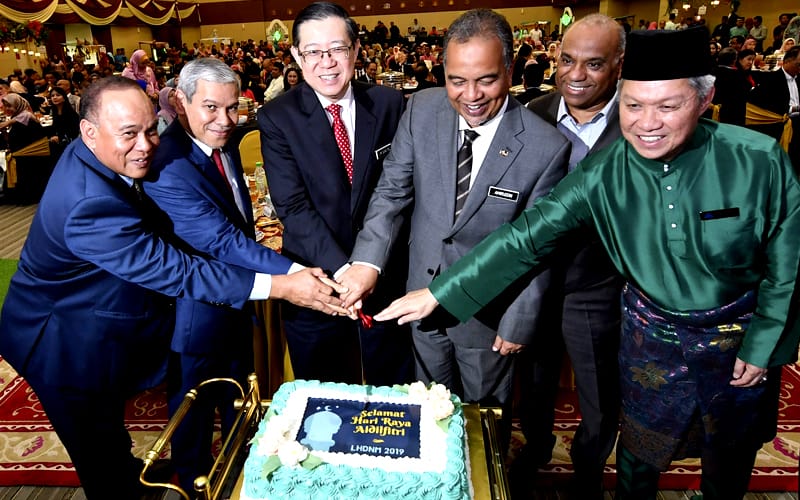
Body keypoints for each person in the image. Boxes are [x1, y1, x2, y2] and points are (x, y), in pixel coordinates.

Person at [375, 27, 800, 500]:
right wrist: (442, 291)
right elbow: (526, 237)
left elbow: (789, 265)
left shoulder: (759, 159)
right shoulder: (605, 169)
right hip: (649, 341)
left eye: (667, 106)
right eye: (633, 106)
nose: (647, 123)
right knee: (638, 458)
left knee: (730, 455)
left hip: (738, 343)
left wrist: (764, 344)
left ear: (704, 100)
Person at [0, 76, 341, 500]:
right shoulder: (88, 203)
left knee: (110, 434)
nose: (146, 146)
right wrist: (280, 286)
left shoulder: (93, 154)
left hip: (93, 318)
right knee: (99, 456)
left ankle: (129, 471)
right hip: (59, 344)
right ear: (89, 131)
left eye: (150, 130)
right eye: (129, 134)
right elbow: (178, 271)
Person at [337, 8, 569, 434]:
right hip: (419, 301)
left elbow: (540, 247)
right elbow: (392, 193)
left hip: (489, 315)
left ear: (510, 70)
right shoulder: (422, 109)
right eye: (457, 80)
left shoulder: (545, 146)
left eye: (486, 80)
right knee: (432, 418)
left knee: (484, 425)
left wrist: (519, 319)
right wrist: (367, 261)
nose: (471, 95)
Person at [144, 57, 347, 494]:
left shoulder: (223, 141)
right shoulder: (168, 164)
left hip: (238, 303)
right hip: (196, 315)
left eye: (232, 107)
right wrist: (296, 273)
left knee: (240, 402)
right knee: (194, 417)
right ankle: (194, 488)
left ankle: (242, 477)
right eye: (210, 108)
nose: (225, 120)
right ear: (180, 102)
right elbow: (221, 241)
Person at [258, 2, 413, 386]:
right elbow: (292, 206)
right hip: (318, 278)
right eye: (313, 51)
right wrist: (344, 272)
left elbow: (403, 190)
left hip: (386, 274)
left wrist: (369, 265)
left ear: (356, 50)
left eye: (337, 49)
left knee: (393, 394)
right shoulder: (277, 116)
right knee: (325, 399)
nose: (326, 62)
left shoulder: (389, 104)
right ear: (296, 55)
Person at [517, 13, 625, 499]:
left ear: (618, 65)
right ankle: (535, 450)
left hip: (598, 286)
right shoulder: (531, 114)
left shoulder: (639, 120)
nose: (576, 75)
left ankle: (587, 471)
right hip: (532, 283)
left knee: (600, 392)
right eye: (566, 60)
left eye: (594, 64)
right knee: (533, 383)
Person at [747, 45, 800, 168]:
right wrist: (794, 109)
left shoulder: (798, 79)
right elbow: (765, 106)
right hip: (780, 122)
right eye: (798, 64)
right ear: (787, 61)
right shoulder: (771, 79)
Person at [46, 86, 80, 155]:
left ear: (64, 98)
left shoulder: (70, 113)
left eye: (58, 95)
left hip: (70, 143)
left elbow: (74, 132)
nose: (55, 97)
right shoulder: (55, 111)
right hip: (58, 142)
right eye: (52, 96)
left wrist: (60, 137)